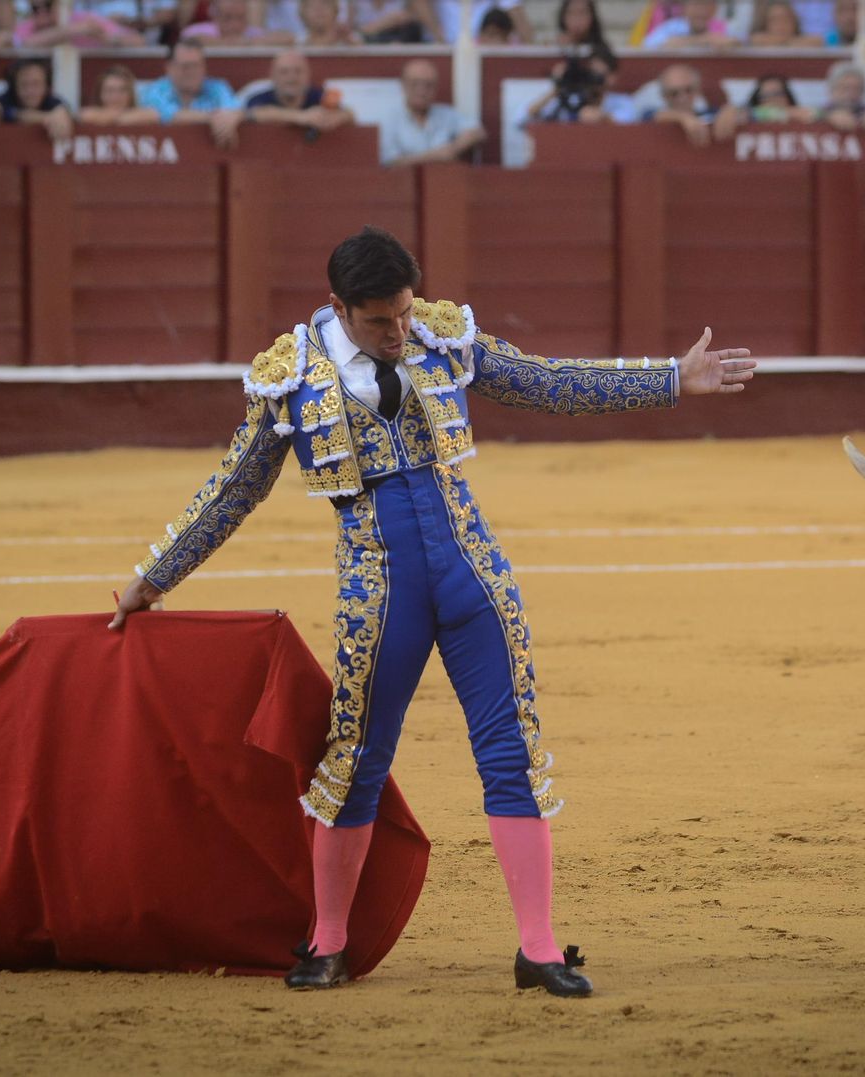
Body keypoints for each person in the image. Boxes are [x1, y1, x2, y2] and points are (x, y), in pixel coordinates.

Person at [108, 225, 755, 996]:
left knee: (510, 750)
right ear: (340, 309)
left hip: (472, 572)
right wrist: (153, 577)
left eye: (404, 313)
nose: (398, 331)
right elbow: (235, 489)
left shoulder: (442, 337)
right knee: (354, 757)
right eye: (380, 320)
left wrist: (670, 380)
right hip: (377, 589)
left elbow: (544, 381)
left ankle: (539, 948)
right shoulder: (292, 376)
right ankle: (329, 941)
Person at [380, 58, 485, 165]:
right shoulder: (388, 119)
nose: (421, 90)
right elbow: (391, 163)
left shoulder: (446, 114)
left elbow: (477, 132)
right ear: (403, 85)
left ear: (436, 88)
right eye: (414, 83)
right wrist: (436, 156)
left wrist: (453, 149)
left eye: (428, 85)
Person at [138, 39, 240, 148]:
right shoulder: (155, 90)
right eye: (185, 66)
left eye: (196, 65)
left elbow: (234, 110)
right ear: (169, 68)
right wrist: (213, 118)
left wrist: (233, 117)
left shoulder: (217, 87)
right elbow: (168, 116)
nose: (192, 72)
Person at [235, 49, 354, 135]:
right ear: (272, 76)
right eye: (284, 72)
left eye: (298, 71)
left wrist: (335, 118)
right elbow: (255, 114)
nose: (291, 78)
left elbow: (349, 114)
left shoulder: (318, 95)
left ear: (308, 75)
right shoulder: (259, 98)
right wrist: (302, 117)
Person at [12, 0, 144, 47]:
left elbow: (138, 41)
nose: (41, 12)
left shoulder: (86, 19)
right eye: (35, 8)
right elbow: (24, 43)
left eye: (47, 5)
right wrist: (73, 30)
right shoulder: (27, 25)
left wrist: (111, 40)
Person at [0, 57, 73, 141]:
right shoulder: (2, 101)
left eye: (36, 84)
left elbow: (62, 109)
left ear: (46, 86)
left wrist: (62, 114)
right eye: (24, 84)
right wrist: (48, 118)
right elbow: (8, 113)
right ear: (14, 86)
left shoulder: (50, 100)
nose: (30, 91)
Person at [79, 64, 162, 124]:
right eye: (109, 90)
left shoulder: (144, 113)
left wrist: (111, 118)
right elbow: (84, 115)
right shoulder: (89, 113)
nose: (115, 96)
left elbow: (154, 115)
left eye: (122, 90)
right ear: (99, 94)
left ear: (131, 94)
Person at [819, 60, 865, 131]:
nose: (850, 93)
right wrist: (828, 117)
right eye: (845, 88)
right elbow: (813, 114)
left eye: (856, 88)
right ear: (832, 90)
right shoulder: (821, 112)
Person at [185, 0, 295, 44]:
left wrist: (249, 42)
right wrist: (229, 43)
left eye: (240, 18)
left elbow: (288, 38)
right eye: (228, 18)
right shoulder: (200, 30)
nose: (235, 25)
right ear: (216, 17)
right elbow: (189, 39)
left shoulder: (251, 33)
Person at [641, 0, 737, 47]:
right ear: (684, 8)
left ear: (714, 9)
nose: (701, 11)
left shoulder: (722, 27)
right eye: (696, 5)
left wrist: (731, 44)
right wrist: (703, 40)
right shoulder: (671, 27)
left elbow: (740, 42)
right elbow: (650, 45)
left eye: (706, 5)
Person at [747, 1, 823, 44]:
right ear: (765, 23)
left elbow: (817, 41)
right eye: (775, 20)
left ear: (794, 22)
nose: (781, 25)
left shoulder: (806, 40)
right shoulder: (756, 39)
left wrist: (785, 42)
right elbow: (754, 39)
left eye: (785, 19)